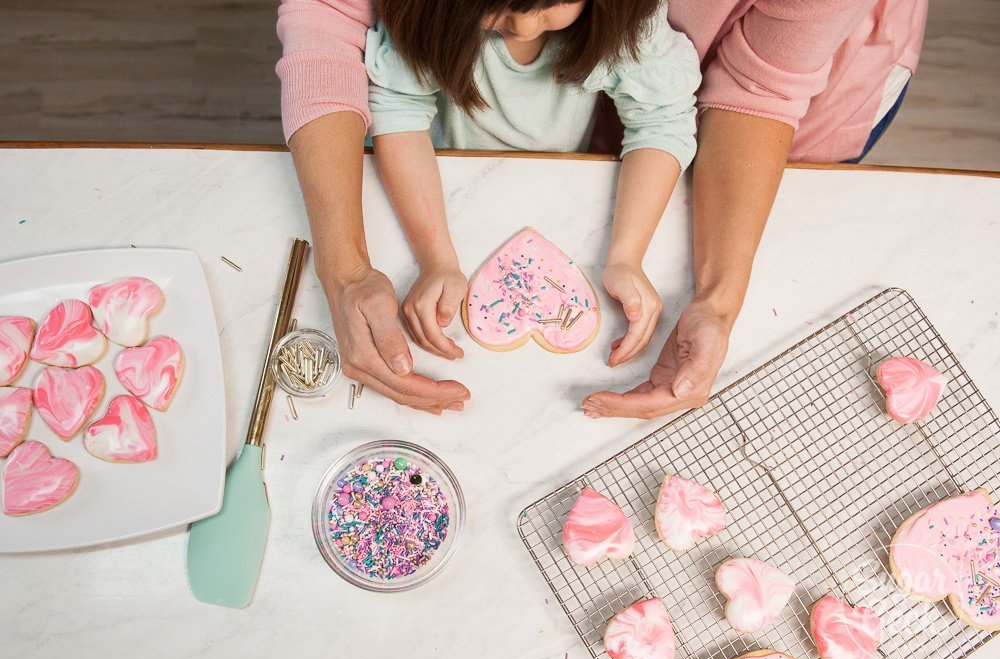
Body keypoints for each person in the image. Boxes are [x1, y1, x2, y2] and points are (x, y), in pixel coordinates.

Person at [276, 0, 928, 417]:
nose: (521, 30)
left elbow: (692, 109)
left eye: (545, 8)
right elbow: (391, 101)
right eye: (501, 11)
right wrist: (432, 256)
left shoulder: (626, 28)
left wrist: (636, 260)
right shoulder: (426, 19)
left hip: (808, 80)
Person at [365, 0, 698, 366]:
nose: (523, 28)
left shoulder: (628, 17)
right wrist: (434, 259)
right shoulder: (431, 12)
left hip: (562, 197)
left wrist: (627, 257)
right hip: (435, 185)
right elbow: (398, 109)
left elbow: (661, 120)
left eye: (555, 1)